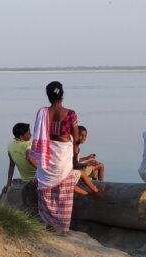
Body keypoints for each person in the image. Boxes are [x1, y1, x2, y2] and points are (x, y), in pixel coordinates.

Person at [31, 81, 100, 234]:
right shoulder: (70, 114)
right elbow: (76, 139)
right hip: (62, 158)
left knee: (46, 191)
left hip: (47, 157)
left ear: (48, 96)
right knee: (64, 193)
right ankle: (62, 227)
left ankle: (48, 223)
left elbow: (39, 134)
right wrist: (76, 159)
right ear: (62, 95)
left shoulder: (42, 112)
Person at [3, 122, 37, 194]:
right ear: (21, 137)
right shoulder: (28, 144)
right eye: (28, 134)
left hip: (25, 180)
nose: (31, 135)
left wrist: (8, 184)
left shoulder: (10, 146)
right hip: (36, 179)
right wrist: (43, 170)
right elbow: (29, 157)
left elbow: (11, 165)